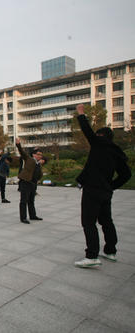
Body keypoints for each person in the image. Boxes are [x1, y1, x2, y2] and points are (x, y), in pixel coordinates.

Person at [74, 104, 132, 268]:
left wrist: (81, 114)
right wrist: (111, 186)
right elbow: (127, 174)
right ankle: (110, 251)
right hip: (106, 192)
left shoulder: (98, 144)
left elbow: (87, 131)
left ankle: (92, 255)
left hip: (92, 190)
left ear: (101, 136)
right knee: (106, 221)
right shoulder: (116, 152)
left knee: (88, 222)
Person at [16, 138, 44, 224]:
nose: (40, 156)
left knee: (31, 201)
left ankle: (33, 216)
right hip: (26, 182)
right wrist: (18, 144)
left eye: (41, 155)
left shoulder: (38, 164)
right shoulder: (29, 159)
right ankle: (23, 218)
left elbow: (38, 174)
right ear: (34, 155)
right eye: (38, 154)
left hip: (33, 184)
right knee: (24, 201)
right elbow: (22, 152)